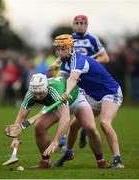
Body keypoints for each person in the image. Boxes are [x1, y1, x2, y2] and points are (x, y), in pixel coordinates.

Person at [52, 34, 124, 168]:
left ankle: (117, 159)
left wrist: (67, 93)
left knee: (104, 122)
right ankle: (68, 152)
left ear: (71, 47)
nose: (60, 52)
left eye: (63, 48)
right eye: (58, 49)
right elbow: (58, 80)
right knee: (74, 126)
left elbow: (72, 79)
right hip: (92, 97)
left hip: (110, 93)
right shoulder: (65, 62)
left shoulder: (78, 60)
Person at [10, 73, 109, 168]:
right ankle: (45, 161)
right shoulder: (30, 94)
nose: (38, 97)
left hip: (76, 100)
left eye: (40, 93)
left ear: (46, 87)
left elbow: (65, 118)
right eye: (35, 93)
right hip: (55, 105)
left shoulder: (55, 90)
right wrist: (15, 138)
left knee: (90, 127)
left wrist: (56, 141)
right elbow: (21, 116)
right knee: (39, 126)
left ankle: (100, 160)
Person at [50, 14, 109, 149]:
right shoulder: (70, 38)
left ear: (86, 25)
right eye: (76, 23)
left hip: (83, 77)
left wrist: (87, 63)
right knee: (60, 98)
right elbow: (62, 53)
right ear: (73, 24)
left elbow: (105, 58)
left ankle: (82, 130)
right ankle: (63, 140)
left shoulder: (92, 39)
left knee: (77, 105)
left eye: (82, 23)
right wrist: (55, 63)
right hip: (66, 71)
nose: (79, 25)